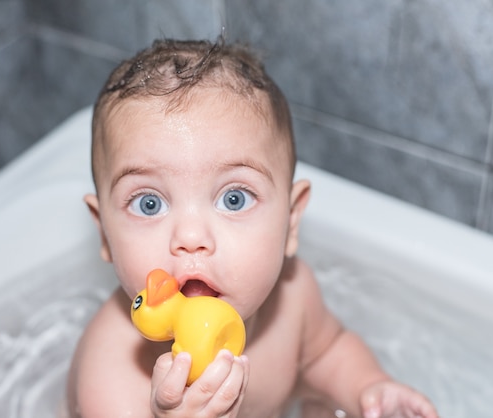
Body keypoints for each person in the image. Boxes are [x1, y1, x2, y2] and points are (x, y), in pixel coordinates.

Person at [67, 37, 439, 418]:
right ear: (104, 233)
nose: (191, 238)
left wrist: (368, 389)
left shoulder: (294, 297)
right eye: (150, 204)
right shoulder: (114, 368)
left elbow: (328, 352)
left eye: (234, 198)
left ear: (291, 220)